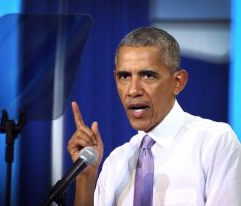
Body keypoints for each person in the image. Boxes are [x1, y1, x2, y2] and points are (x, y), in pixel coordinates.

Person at [67, 27, 241, 206]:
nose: (133, 90)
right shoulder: (114, 163)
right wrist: (85, 178)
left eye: (148, 75)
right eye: (124, 76)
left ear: (178, 82)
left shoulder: (214, 142)